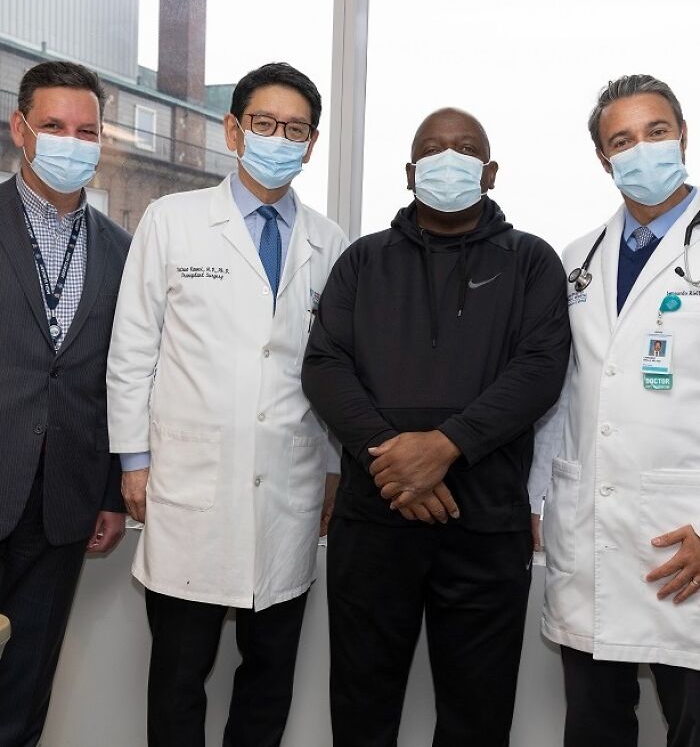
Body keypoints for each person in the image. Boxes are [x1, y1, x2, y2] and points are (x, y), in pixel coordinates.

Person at [301, 107, 571, 746]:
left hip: (485, 525)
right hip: (375, 517)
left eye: (466, 149)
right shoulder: (363, 260)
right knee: (362, 709)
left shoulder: (532, 262)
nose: (448, 159)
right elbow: (325, 365)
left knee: (477, 716)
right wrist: (394, 461)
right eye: (432, 149)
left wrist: (446, 446)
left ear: (490, 172)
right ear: (409, 172)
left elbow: (539, 370)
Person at [107, 62, 347, 747]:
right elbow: (133, 348)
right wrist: (133, 460)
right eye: (264, 123)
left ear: (312, 144)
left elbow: (334, 370)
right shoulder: (173, 220)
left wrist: (332, 466)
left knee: (269, 678)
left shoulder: (330, 243)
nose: (279, 139)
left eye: (295, 129)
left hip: (289, 487)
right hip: (191, 487)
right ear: (234, 131)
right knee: (179, 678)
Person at [530, 75, 700, 746]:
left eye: (656, 132)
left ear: (683, 135)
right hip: (591, 529)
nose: (641, 150)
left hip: (684, 536)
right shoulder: (579, 259)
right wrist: (537, 500)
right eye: (622, 140)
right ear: (604, 160)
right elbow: (563, 392)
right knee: (594, 725)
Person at [0, 60, 129, 746]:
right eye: (54, 126)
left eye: (86, 131)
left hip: (63, 501)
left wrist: (110, 491)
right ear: (20, 129)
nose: (70, 143)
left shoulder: (122, 251)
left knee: (25, 685)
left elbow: (123, 379)